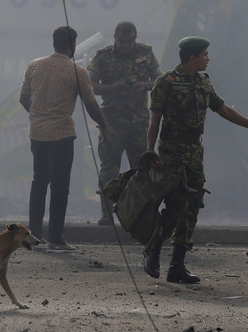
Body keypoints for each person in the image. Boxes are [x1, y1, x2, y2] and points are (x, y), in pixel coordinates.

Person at [145, 36, 248, 283]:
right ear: (192, 57)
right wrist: (150, 152)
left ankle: (177, 266)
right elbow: (154, 119)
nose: (208, 59)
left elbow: (224, 110)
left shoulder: (204, 82)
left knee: (193, 204)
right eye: (205, 54)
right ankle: (153, 249)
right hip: (172, 151)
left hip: (195, 152)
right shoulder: (166, 82)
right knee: (176, 204)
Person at [20, 26, 107, 252]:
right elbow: (91, 105)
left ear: (53, 42)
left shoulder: (34, 65)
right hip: (61, 135)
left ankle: (34, 236)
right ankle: (56, 239)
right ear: (74, 45)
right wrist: (105, 125)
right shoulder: (77, 72)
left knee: (39, 183)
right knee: (60, 187)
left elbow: (23, 98)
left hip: (37, 133)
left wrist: (38, 115)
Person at [87, 21, 161, 226]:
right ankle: (107, 214)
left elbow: (159, 79)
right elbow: (89, 83)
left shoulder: (146, 53)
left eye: (130, 41)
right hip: (111, 122)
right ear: (115, 38)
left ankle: (137, 215)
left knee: (141, 170)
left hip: (138, 122)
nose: (126, 45)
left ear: (135, 39)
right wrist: (112, 88)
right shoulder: (103, 56)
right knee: (109, 168)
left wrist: (145, 85)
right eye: (122, 41)